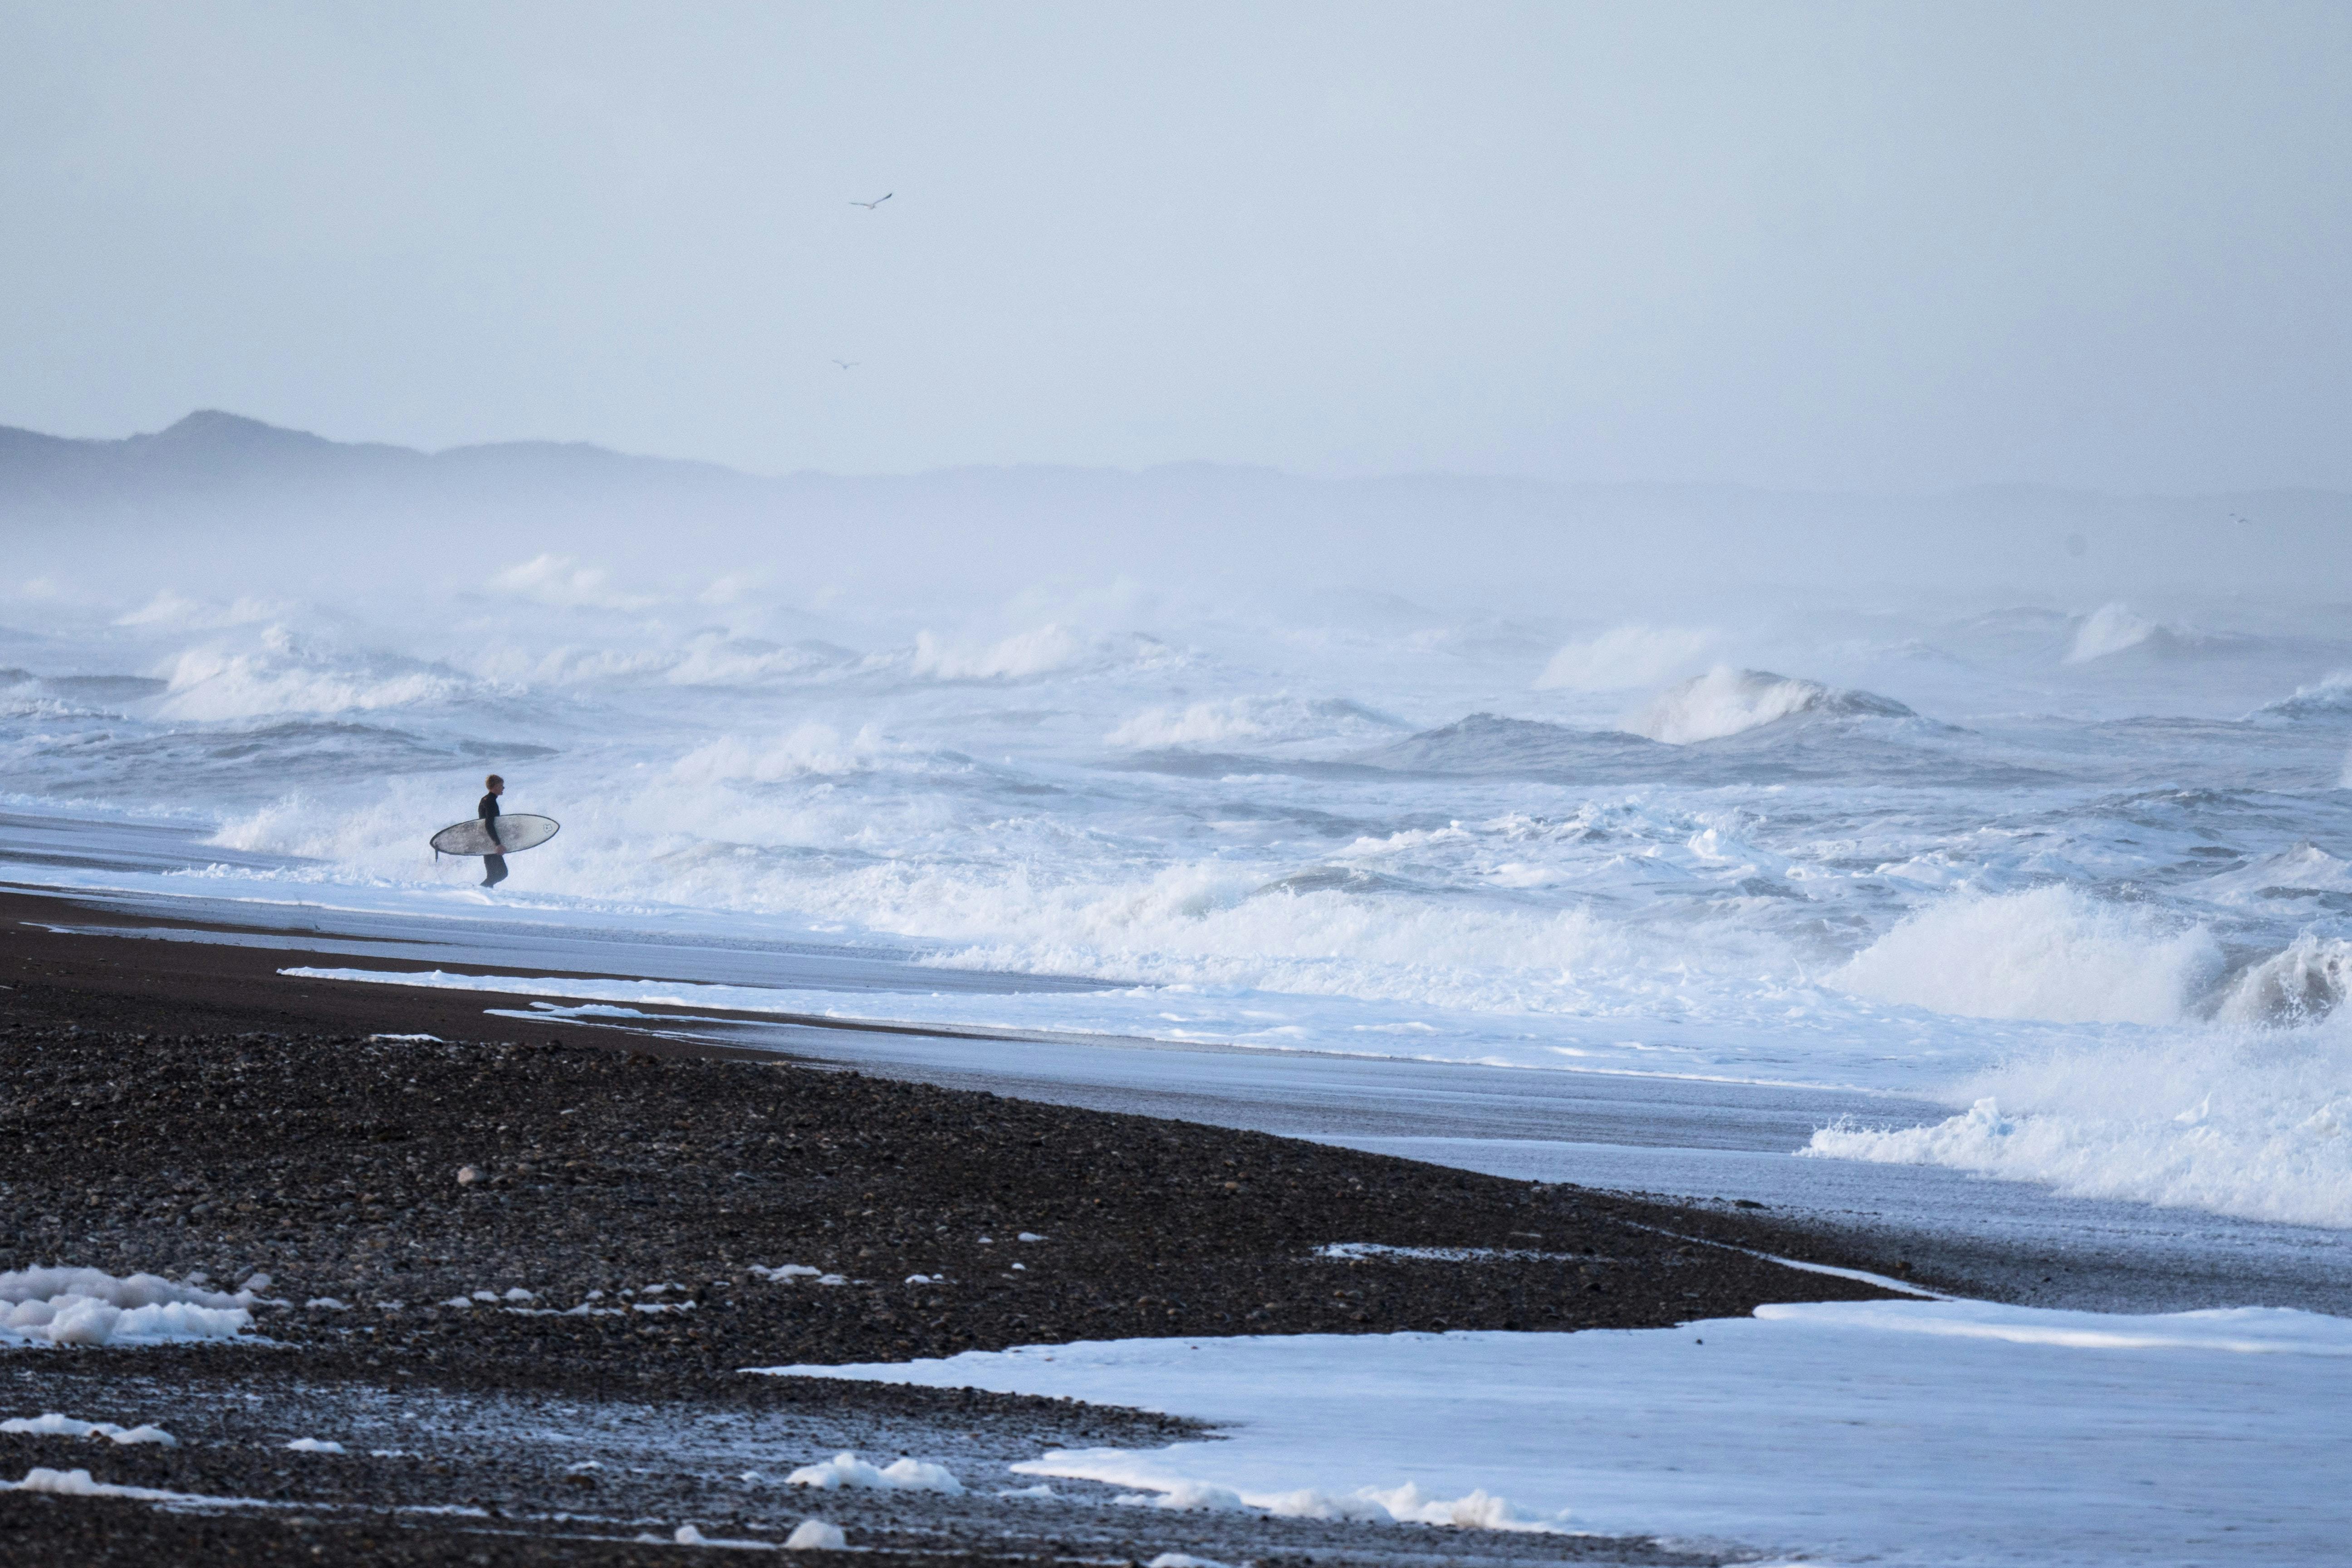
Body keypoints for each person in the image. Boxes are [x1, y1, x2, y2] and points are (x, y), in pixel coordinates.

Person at [478, 774, 509, 887]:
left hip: (486, 841)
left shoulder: (486, 800)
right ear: (495, 786)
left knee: (494, 875)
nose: (503, 788)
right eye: (502, 786)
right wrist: (497, 844)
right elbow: (489, 824)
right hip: (490, 842)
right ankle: (479, 891)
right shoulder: (490, 801)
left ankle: (483, 893)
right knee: (501, 873)